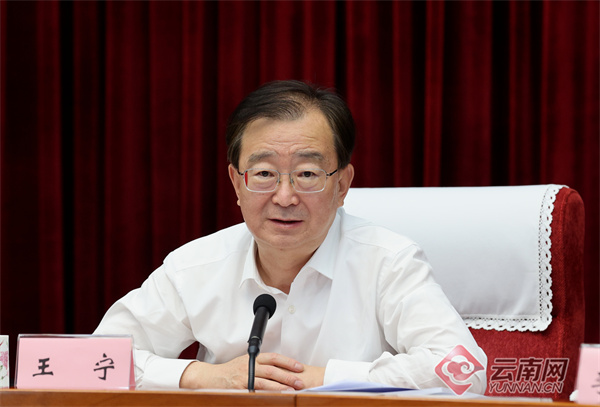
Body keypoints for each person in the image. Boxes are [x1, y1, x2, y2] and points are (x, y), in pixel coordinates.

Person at [94, 80, 487, 392]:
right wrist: (203, 376)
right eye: (264, 173)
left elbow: (465, 372)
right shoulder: (194, 267)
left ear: (342, 185)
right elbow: (91, 360)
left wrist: (321, 380)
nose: (284, 197)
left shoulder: (389, 262)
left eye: (307, 174)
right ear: (236, 182)